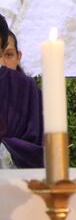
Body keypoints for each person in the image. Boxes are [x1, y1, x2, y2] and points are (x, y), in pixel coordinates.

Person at [0, 14, 43, 168]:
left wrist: (6, 149)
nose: (5, 61)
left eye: (9, 55)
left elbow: (37, 148)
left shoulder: (27, 91)